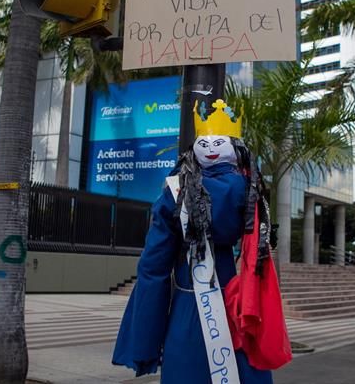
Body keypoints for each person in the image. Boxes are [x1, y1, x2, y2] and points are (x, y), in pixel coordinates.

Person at [112, 99, 291, 383]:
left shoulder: (174, 192)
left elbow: (153, 269)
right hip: (237, 309)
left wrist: (145, 340)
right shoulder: (251, 193)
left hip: (188, 305)